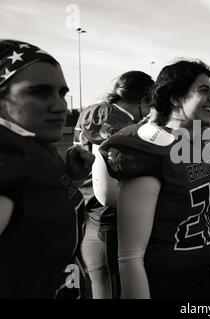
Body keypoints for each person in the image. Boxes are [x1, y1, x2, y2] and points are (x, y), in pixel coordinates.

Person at [97, 59, 210, 299]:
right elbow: (130, 256)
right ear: (175, 98)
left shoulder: (204, 142)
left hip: (203, 273)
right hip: (167, 283)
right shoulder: (151, 150)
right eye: (204, 90)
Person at [0, 39, 94, 298]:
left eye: (62, 93)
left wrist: (69, 179)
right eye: (40, 92)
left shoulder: (35, 146)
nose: (60, 105)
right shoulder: (10, 155)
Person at [73, 71, 154, 299]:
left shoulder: (102, 110)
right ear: (145, 96)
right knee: (111, 290)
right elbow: (107, 186)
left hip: (92, 211)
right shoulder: (112, 116)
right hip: (106, 216)